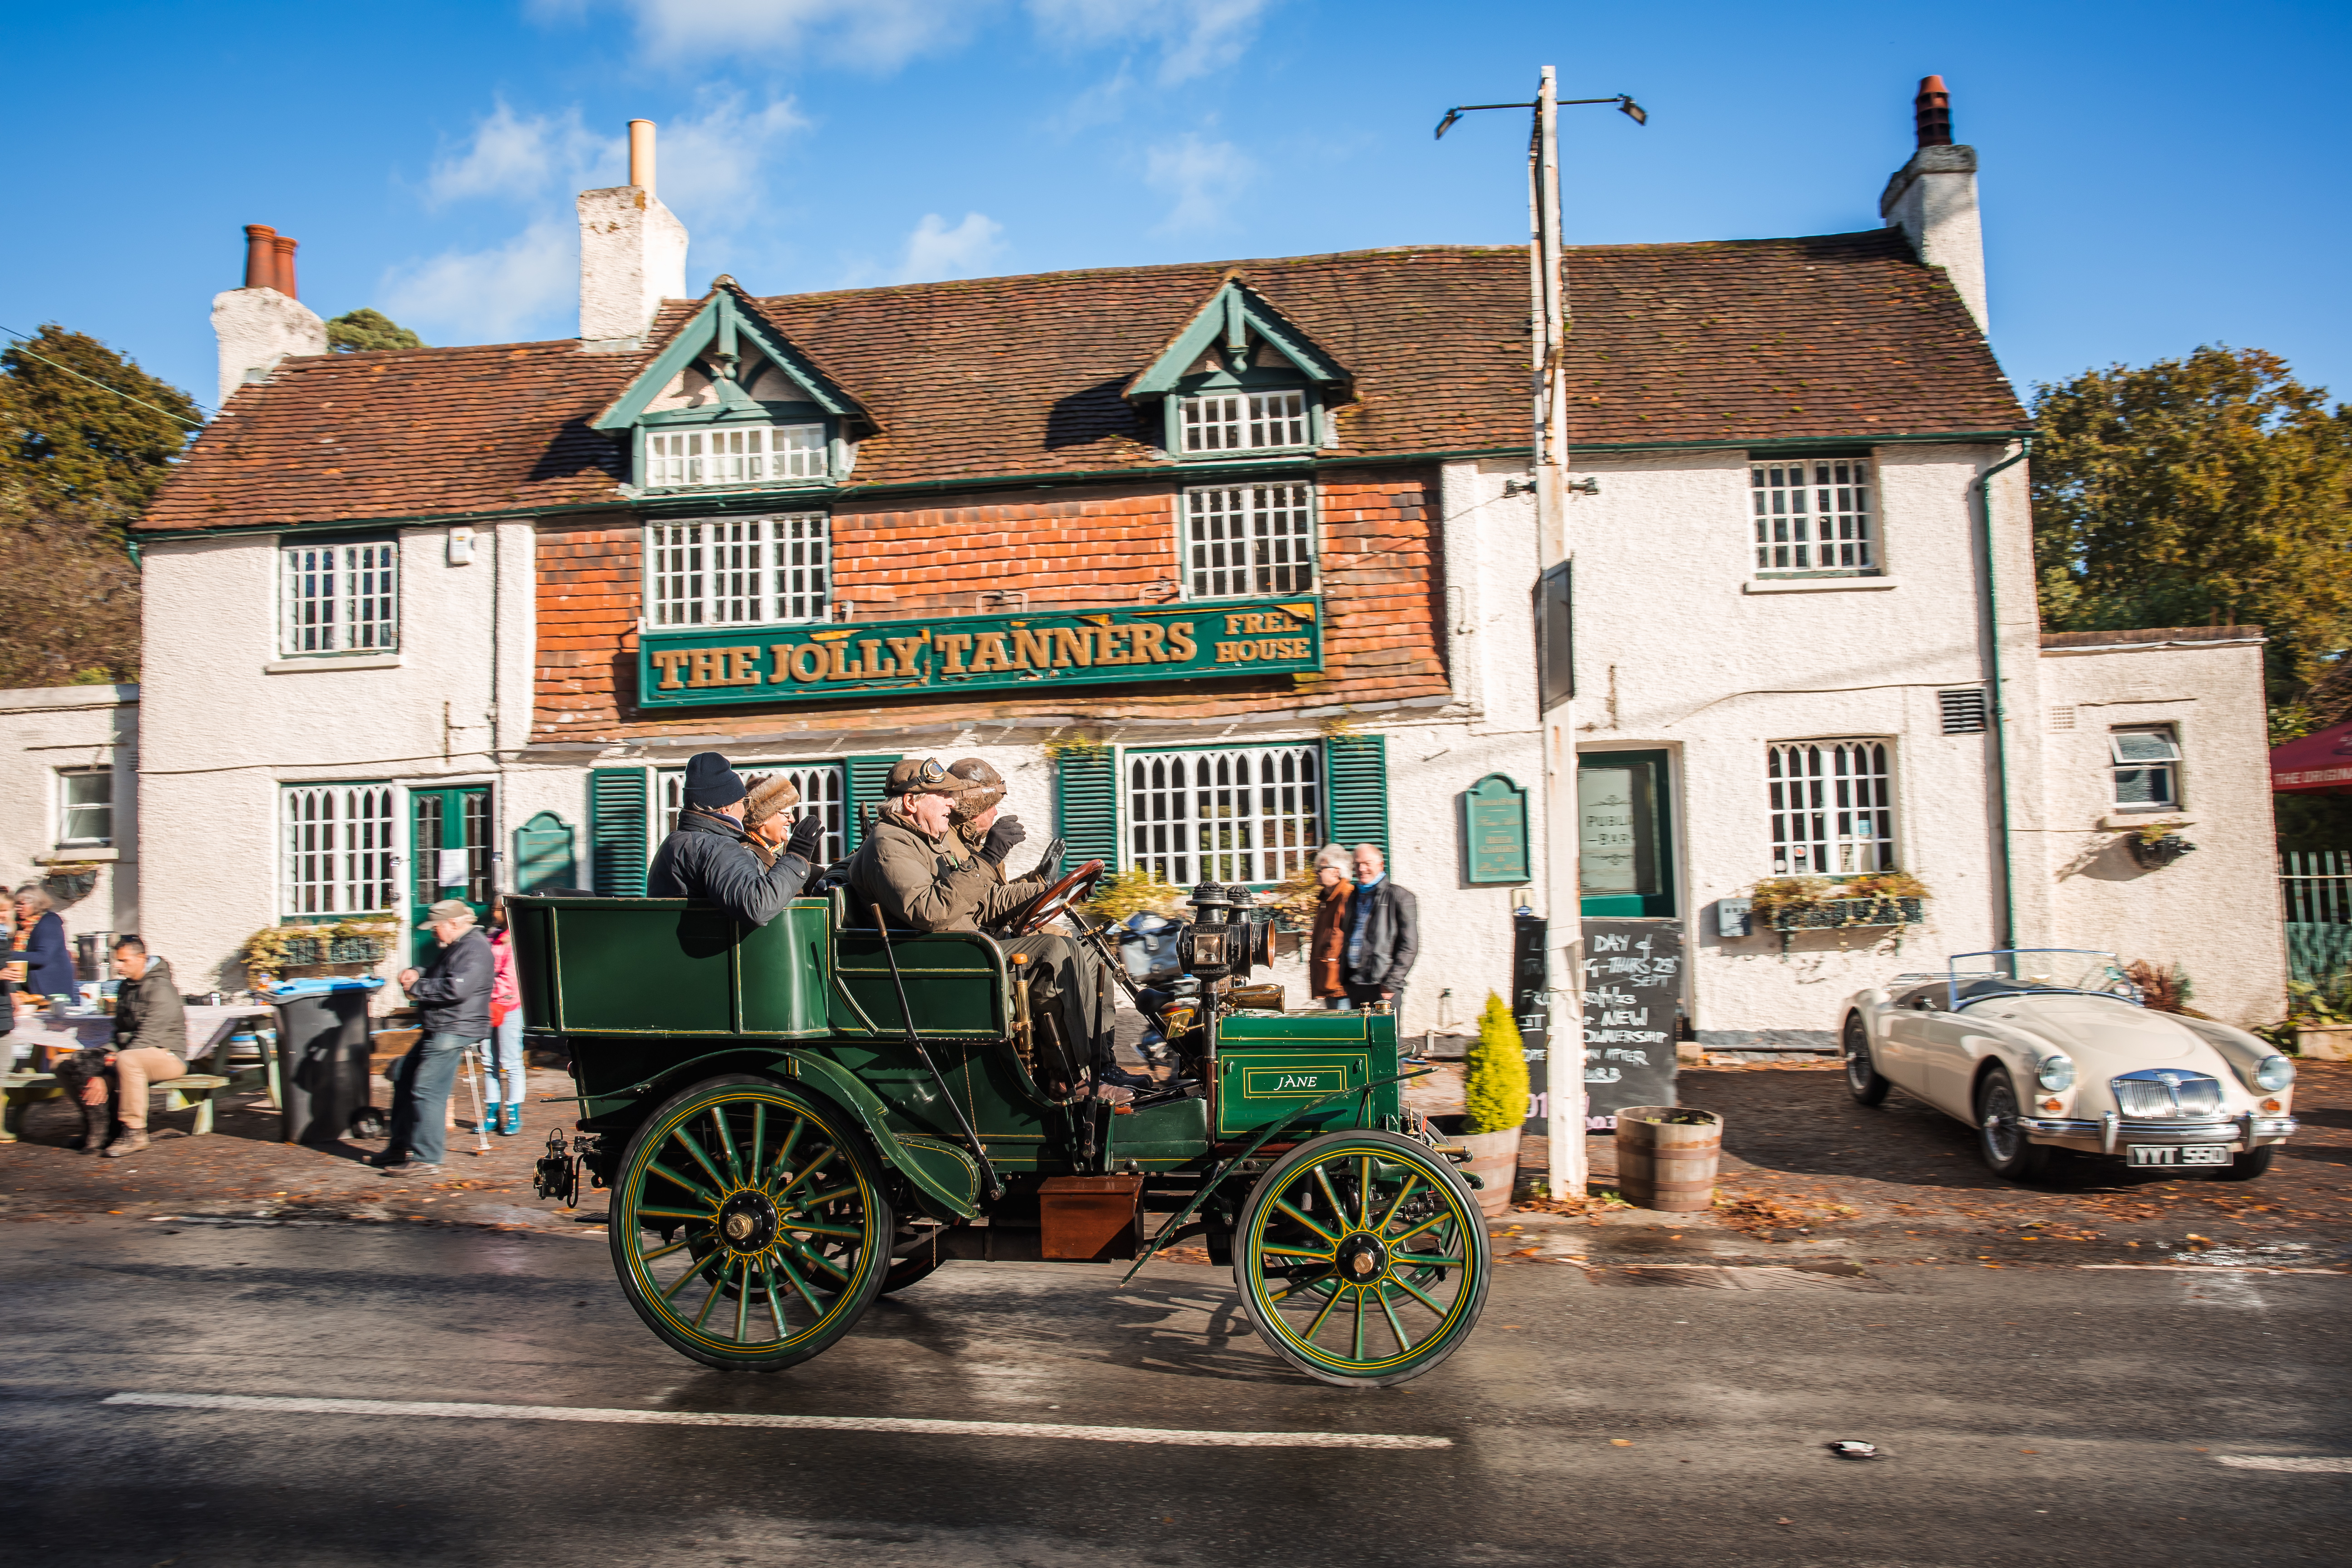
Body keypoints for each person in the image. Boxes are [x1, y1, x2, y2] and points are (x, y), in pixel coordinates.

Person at [848, 758, 1111, 1089]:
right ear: (910, 801)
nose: (950, 803)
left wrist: (1047, 891)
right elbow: (929, 912)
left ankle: (1101, 1065)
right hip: (942, 962)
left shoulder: (928, 842)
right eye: (941, 795)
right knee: (1053, 949)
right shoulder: (889, 846)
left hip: (965, 952)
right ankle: (1070, 1078)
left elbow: (982, 904)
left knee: (1086, 953)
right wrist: (986, 860)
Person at [378, 899, 493, 1176]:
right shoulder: (457, 946)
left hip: (454, 1029)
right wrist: (418, 971)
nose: (432, 933)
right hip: (441, 1026)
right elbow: (440, 974)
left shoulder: (475, 949)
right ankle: (400, 1148)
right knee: (404, 1076)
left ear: (453, 923)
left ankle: (427, 1158)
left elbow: (456, 989)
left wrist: (417, 986)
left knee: (427, 1089)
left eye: (436, 927)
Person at [648, 752, 823, 924]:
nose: (745, 809)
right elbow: (757, 907)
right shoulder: (718, 846)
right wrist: (797, 855)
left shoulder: (672, 843)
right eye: (744, 802)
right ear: (726, 809)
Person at [53, 935, 187, 1157]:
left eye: (123, 961)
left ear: (141, 958)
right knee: (64, 1063)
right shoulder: (126, 988)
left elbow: (147, 1039)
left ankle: (135, 1132)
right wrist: (103, 1057)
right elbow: (120, 1035)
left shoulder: (161, 989)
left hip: (167, 1055)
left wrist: (106, 1076)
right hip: (132, 1053)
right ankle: (100, 1128)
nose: (117, 966)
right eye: (117, 960)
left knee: (127, 1060)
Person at [947, 757, 1057, 931]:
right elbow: (985, 904)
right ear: (973, 808)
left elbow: (1001, 895)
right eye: (990, 805)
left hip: (1000, 929)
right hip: (982, 937)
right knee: (1060, 944)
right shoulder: (948, 846)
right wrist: (991, 856)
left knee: (1068, 939)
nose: (996, 812)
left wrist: (1039, 876)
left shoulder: (977, 846)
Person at [1342, 843, 1418, 1014]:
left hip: (1382, 986)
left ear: (1380, 865)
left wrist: (1392, 983)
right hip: (1355, 983)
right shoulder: (1352, 897)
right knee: (1360, 1038)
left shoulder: (1400, 897)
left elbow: (1409, 946)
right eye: (1357, 864)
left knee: (1384, 1039)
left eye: (1367, 863)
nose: (1361, 869)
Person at [483, 896, 525, 1136]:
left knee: (510, 1062)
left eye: (496, 909)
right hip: (487, 1007)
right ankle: (492, 1112)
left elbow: (510, 978)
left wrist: (492, 996)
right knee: (489, 1061)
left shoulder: (514, 940)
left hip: (508, 1008)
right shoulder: (491, 939)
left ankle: (513, 1113)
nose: (493, 912)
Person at [1307, 845, 1355, 1009]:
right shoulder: (1326, 898)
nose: (1316, 873)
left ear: (1336, 871)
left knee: (1346, 1028)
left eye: (1321, 869)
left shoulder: (1347, 896)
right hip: (1328, 978)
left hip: (1341, 981)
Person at [13, 884, 75, 1003]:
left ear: (36, 903)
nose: (18, 908)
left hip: (50, 989)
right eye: (16, 904)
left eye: (22, 904)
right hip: (28, 990)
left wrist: (6, 954)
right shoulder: (22, 926)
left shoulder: (49, 923)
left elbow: (42, 957)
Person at [740, 772, 804, 870]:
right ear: (764, 818)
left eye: (792, 810)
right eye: (787, 812)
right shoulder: (740, 854)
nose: (792, 820)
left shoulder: (791, 850)